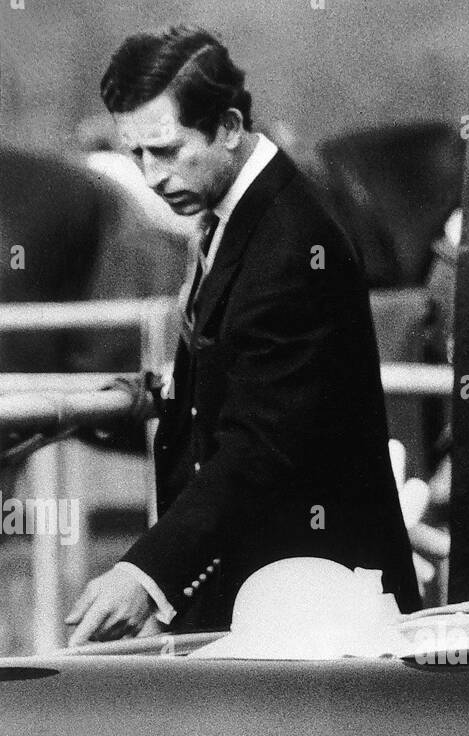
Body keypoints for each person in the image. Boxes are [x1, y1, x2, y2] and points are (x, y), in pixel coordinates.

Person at [67, 26, 419, 645]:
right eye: (136, 156)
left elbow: (264, 443)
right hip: (270, 597)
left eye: (168, 151)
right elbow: (238, 388)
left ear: (229, 127)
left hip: (314, 611)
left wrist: (148, 573)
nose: (151, 177)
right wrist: (159, 393)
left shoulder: (289, 240)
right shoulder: (237, 214)